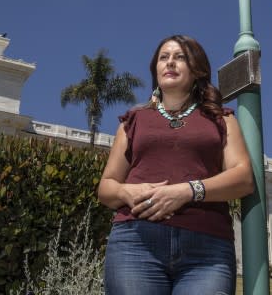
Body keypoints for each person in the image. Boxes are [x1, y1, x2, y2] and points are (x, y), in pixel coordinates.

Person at [98, 35, 254, 295]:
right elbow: (106, 186)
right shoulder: (133, 121)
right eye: (163, 57)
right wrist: (127, 192)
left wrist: (188, 191)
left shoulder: (222, 119)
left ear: (196, 70)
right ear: (155, 69)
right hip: (134, 244)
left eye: (180, 57)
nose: (170, 62)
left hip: (207, 250)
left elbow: (243, 178)